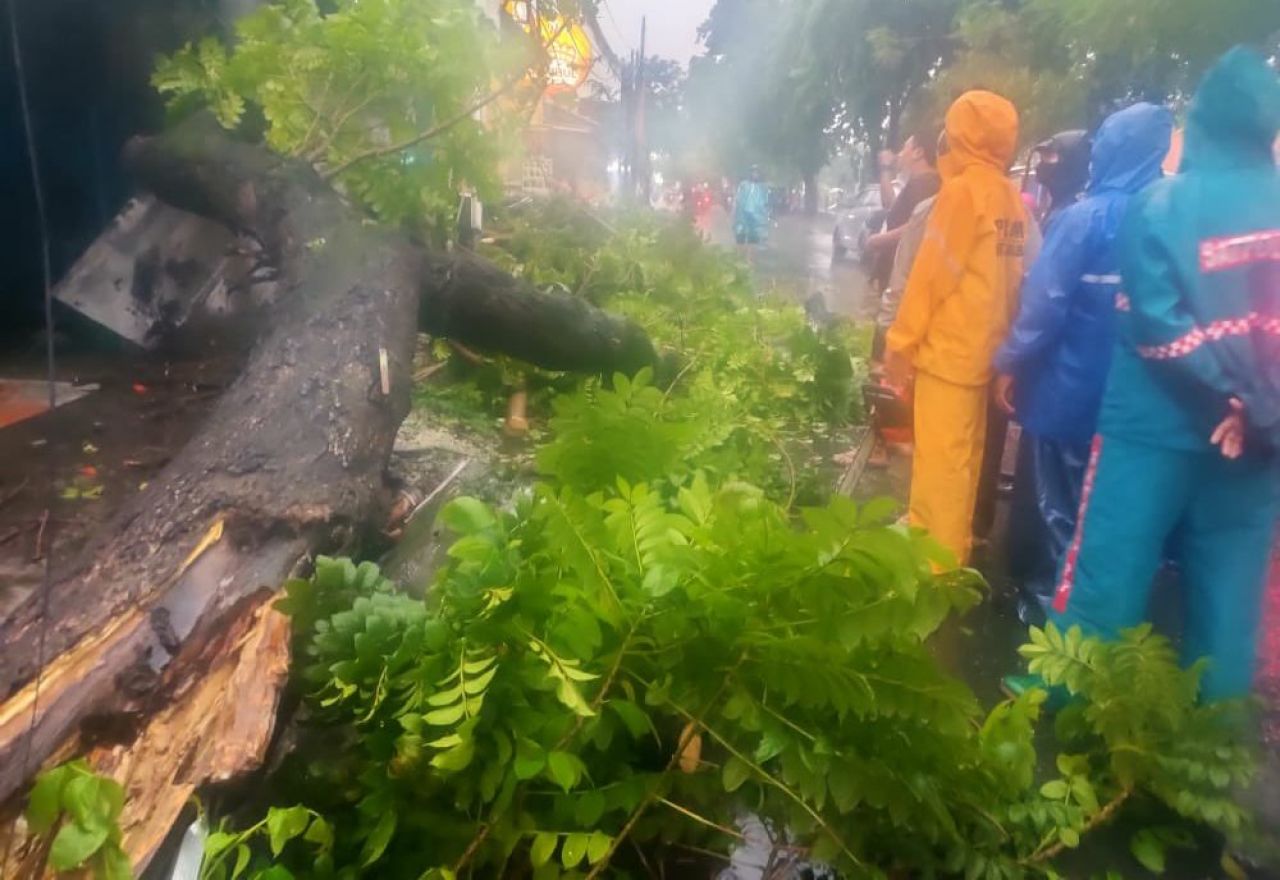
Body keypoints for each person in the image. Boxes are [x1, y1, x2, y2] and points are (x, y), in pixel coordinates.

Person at [1046, 47, 1280, 703]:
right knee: (1230, 597)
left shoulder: (1162, 206)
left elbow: (1160, 328)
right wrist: (1260, 408)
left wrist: (1231, 396)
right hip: (1258, 443)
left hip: (1152, 430)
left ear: (1201, 123)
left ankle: (1073, 717)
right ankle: (1208, 749)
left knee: (1108, 573)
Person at [992, 103, 1175, 626]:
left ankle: (1056, 615)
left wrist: (1009, 362)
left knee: (1060, 511)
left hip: (1069, 395)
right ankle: (1113, 618)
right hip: (1141, 404)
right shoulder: (1168, 215)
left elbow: (1043, 307)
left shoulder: (1084, 219)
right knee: (1118, 514)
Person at [885, 90, 1031, 566]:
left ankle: (936, 572)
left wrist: (899, 346)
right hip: (987, 354)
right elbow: (1016, 281)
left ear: (962, 135)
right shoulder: (1011, 198)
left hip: (949, 357)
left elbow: (930, 279)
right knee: (965, 468)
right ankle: (956, 552)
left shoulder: (961, 193)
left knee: (939, 472)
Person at [869, 132, 942, 360]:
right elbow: (891, 206)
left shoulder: (926, 183)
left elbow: (917, 226)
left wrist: (877, 240)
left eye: (906, 147)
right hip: (896, 277)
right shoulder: (917, 183)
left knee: (885, 353)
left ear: (919, 152)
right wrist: (886, 170)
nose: (900, 153)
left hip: (901, 281)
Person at [733, 167, 770, 253]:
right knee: (740, 237)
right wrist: (736, 212)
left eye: (757, 173)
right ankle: (739, 257)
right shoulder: (744, 185)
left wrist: (764, 216)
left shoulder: (762, 187)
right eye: (753, 172)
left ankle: (750, 260)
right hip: (742, 216)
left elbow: (764, 202)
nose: (755, 175)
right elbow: (738, 199)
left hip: (755, 218)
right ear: (750, 174)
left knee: (753, 239)